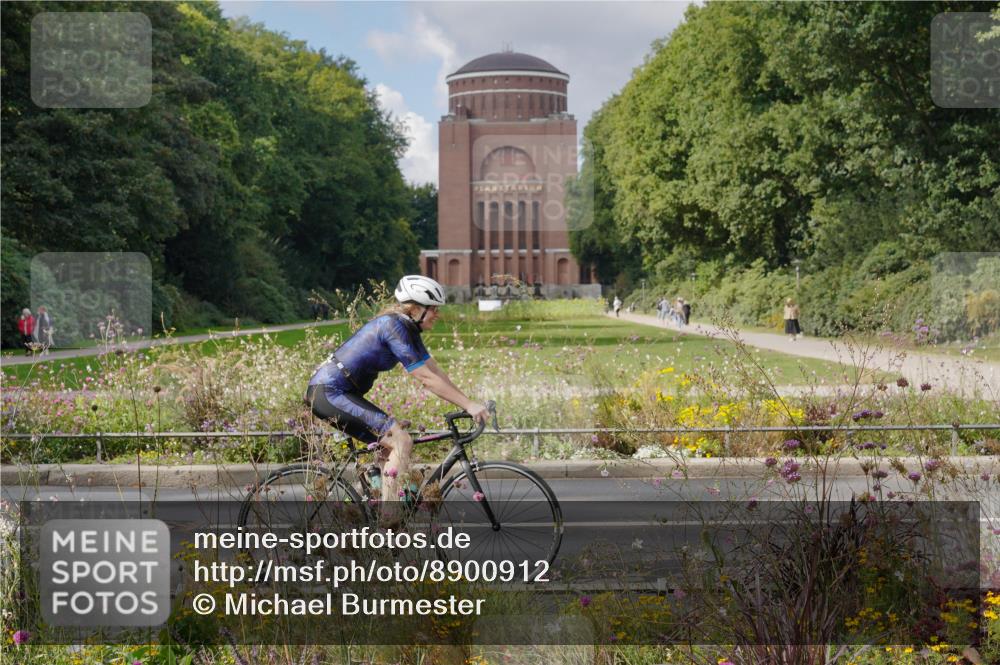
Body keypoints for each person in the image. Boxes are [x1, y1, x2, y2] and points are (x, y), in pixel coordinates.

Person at [305, 275, 488, 511]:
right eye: (434, 309)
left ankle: (376, 512)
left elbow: (435, 371)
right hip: (329, 392)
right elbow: (426, 379)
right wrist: (469, 406)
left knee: (388, 449)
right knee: (401, 440)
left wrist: (468, 402)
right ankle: (388, 521)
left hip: (340, 394)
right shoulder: (394, 326)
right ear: (416, 308)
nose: (437, 314)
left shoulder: (409, 330)